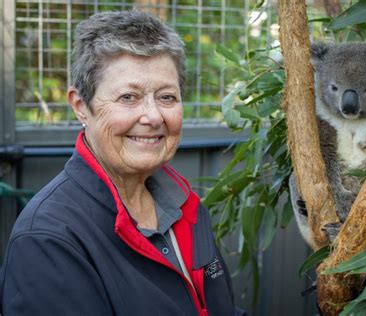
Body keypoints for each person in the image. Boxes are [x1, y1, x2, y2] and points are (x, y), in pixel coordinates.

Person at [0, 11, 242, 315]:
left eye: (167, 97)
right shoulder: (49, 240)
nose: (153, 117)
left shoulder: (185, 207)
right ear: (81, 106)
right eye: (129, 97)